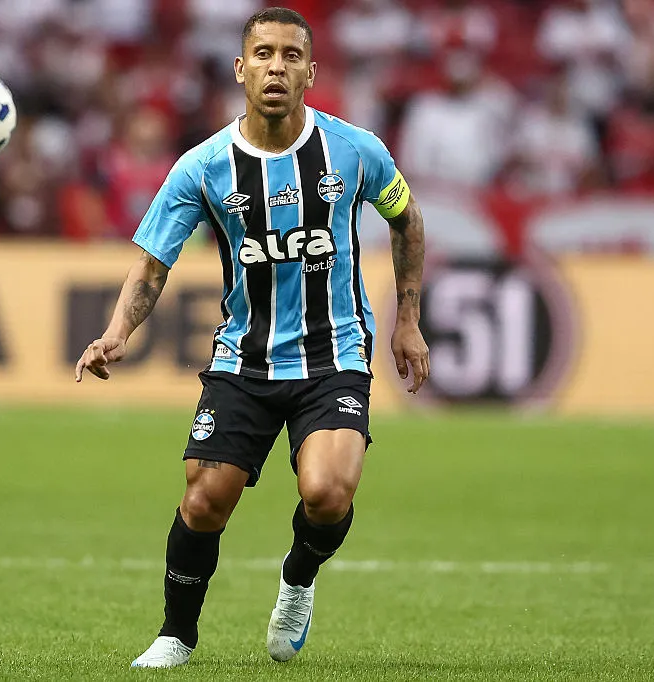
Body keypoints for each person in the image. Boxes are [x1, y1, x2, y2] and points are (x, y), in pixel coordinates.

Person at [74, 7, 430, 668]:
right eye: (263, 54)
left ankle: (298, 579)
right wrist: (116, 331)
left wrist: (407, 319)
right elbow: (152, 265)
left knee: (327, 493)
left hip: (334, 353)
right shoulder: (203, 166)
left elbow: (407, 221)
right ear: (240, 69)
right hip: (245, 357)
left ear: (310, 72)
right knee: (205, 499)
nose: (276, 67)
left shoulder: (355, 151)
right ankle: (176, 635)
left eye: (292, 56)